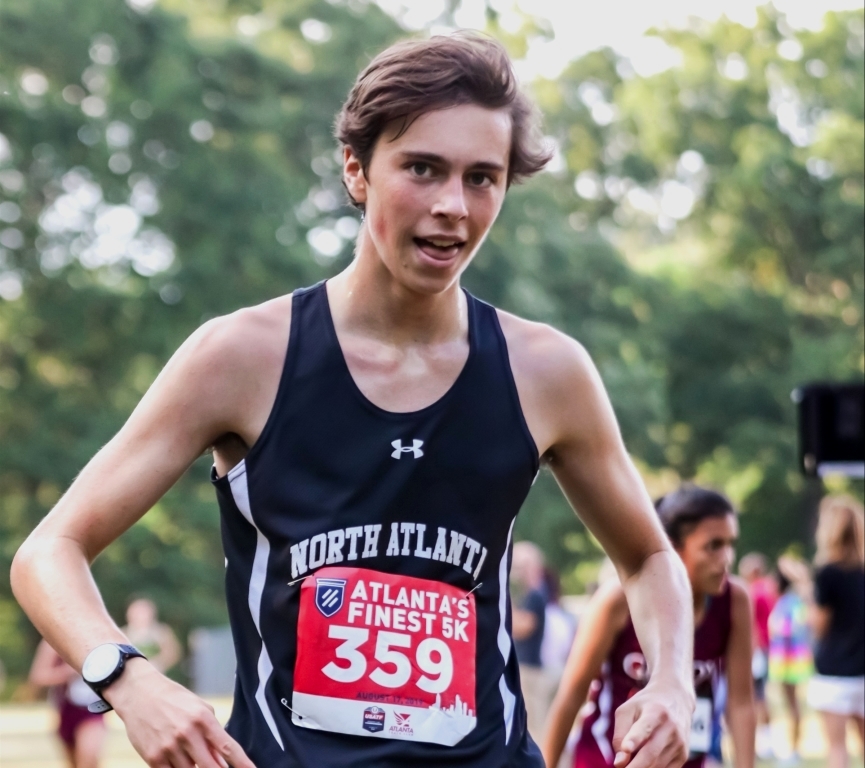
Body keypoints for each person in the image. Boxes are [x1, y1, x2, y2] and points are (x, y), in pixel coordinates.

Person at [12, 33, 696, 768]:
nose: (451, 207)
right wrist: (129, 679)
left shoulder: (546, 370)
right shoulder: (243, 356)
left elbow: (648, 556)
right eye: (422, 169)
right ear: (356, 169)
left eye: (481, 178)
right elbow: (48, 552)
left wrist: (671, 684)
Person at [543, 485, 756, 768]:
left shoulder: (735, 601)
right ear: (671, 548)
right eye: (713, 546)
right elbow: (572, 694)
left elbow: (740, 703)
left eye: (731, 544)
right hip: (608, 759)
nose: (727, 558)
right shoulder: (617, 599)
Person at [805, 494, 865, 768]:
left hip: (834, 671)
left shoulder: (828, 573)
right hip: (862, 669)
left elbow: (819, 625)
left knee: (837, 750)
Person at [29, 639, 106, 768]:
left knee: (89, 757)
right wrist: (70, 672)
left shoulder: (97, 637)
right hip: (66, 710)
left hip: (92, 710)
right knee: (74, 763)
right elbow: (38, 676)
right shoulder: (52, 641)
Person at [767, 555, 813, 763]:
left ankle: (795, 750)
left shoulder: (792, 601)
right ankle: (791, 748)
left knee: (793, 705)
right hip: (785, 660)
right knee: (788, 705)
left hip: (791, 660)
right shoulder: (786, 601)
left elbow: (790, 628)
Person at [511, 540, 552, 739]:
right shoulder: (531, 594)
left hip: (530, 671)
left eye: (520, 566)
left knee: (533, 728)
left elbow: (523, 627)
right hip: (527, 669)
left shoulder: (535, 594)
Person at [737, 551, 777, 759]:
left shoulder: (754, 591)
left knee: (754, 698)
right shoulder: (768, 589)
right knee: (760, 697)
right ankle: (766, 740)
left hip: (756, 649)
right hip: (765, 647)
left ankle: (762, 742)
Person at [122, 597, 182, 675]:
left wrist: (159, 663)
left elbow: (173, 653)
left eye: (144, 611)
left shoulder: (162, 631)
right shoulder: (122, 633)